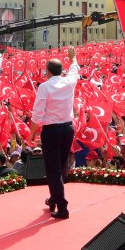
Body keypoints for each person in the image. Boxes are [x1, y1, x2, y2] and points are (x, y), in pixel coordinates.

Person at [30, 46, 81, 219]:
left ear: (48, 71)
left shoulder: (44, 87)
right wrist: (72, 57)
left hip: (52, 131)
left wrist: (31, 135)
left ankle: (62, 206)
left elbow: (37, 114)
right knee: (61, 165)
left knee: (53, 170)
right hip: (67, 129)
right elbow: (75, 69)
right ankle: (54, 198)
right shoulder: (69, 81)